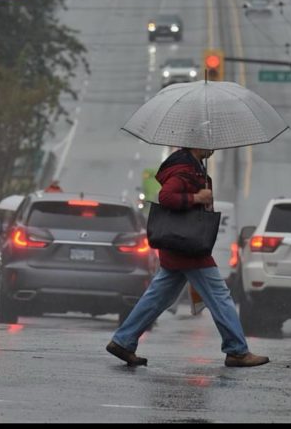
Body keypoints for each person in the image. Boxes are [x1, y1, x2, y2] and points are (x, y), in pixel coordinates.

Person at [106, 147, 269, 368]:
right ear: (195, 144)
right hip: (188, 247)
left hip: (180, 247)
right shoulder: (184, 170)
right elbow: (166, 197)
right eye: (207, 143)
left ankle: (123, 341)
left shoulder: (194, 168)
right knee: (220, 296)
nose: (213, 147)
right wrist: (196, 197)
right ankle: (237, 350)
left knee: (158, 297)